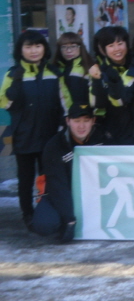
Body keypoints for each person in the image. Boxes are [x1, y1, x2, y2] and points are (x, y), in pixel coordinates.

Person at [0, 30, 63, 229]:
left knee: (50, 177)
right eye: (28, 47)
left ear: (44, 48)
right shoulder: (13, 74)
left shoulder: (54, 72)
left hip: (50, 135)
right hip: (24, 135)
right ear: (21, 50)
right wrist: (15, 87)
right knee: (26, 179)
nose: (34, 51)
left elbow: (65, 101)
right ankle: (27, 214)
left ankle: (48, 211)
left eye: (38, 46)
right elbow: (3, 102)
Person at [38, 103, 105, 242]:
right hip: (64, 193)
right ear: (68, 121)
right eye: (77, 121)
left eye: (86, 120)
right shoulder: (54, 145)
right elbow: (58, 186)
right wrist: (69, 219)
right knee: (44, 225)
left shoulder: (104, 139)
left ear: (93, 121)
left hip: (94, 194)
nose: (82, 126)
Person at [89, 26, 133, 145]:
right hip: (114, 131)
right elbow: (96, 103)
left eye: (120, 44)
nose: (117, 49)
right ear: (103, 50)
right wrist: (97, 80)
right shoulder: (100, 71)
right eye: (111, 45)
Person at [51, 32, 94, 115]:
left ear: (80, 47)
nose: (69, 51)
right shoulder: (55, 69)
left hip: (83, 116)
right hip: (60, 116)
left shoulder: (88, 68)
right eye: (64, 47)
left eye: (73, 47)